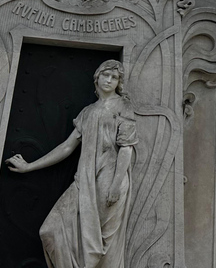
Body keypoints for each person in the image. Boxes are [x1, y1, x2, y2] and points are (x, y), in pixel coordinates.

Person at [5, 60, 137, 268]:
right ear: (97, 77)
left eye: (115, 77)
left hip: (109, 179)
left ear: (119, 82)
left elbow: (127, 148)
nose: (109, 80)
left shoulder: (124, 106)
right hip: (84, 180)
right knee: (50, 230)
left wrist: (115, 184)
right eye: (106, 75)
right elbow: (67, 148)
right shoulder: (87, 112)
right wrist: (29, 166)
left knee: (101, 248)